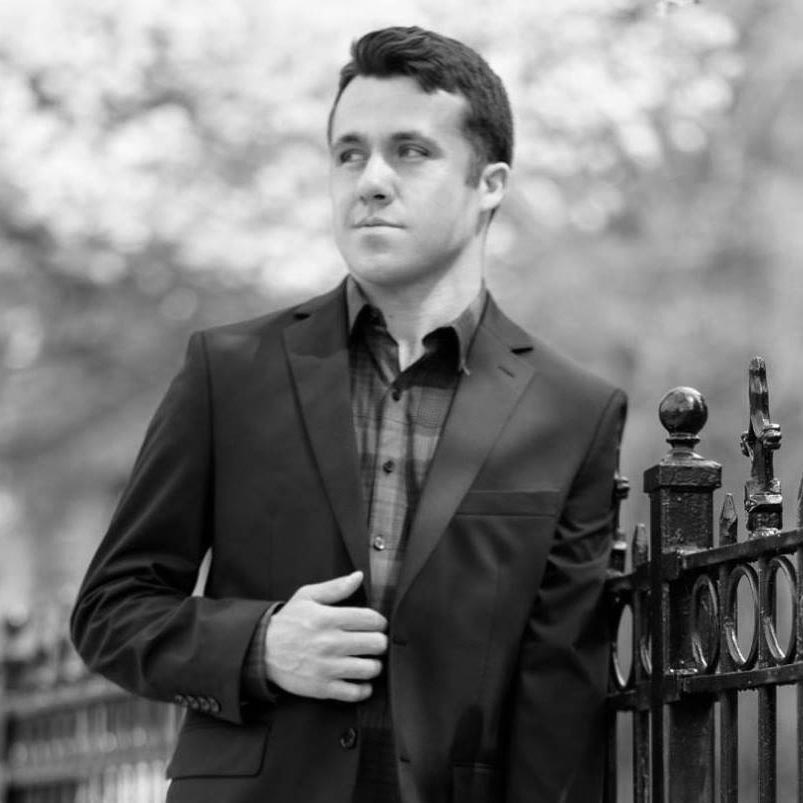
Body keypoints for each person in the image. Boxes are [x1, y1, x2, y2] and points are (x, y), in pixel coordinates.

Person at [71, 25, 627, 803]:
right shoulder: (226, 372)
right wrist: (258, 644)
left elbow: (558, 698)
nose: (369, 179)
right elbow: (110, 610)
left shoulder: (572, 411)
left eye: (410, 151)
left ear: (489, 183)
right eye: (348, 152)